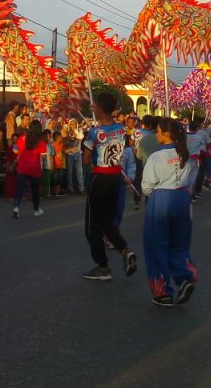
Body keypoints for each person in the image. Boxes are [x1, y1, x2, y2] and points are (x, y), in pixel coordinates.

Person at [141, 118, 197, 307]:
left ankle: (162, 291)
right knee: (179, 243)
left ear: (166, 134)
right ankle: (184, 278)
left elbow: (146, 187)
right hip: (182, 199)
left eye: (158, 131)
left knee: (157, 244)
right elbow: (190, 180)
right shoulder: (185, 154)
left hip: (161, 199)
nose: (156, 135)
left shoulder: (156, 157)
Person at [81, 93, 137, 281]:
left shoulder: (95, 132)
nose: (93, 108)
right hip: (116, 177)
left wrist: (90, 144)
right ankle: (124, 249)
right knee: (106, 220)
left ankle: (103, 266)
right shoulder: (121, 129)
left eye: (95, 106)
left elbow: (86, 158)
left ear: (100, 108)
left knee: (93, 225)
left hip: (100, 176)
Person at [12, 119, 47, 219]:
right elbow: (43, 157)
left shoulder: (22, 138)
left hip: (22, 167)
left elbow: (15, 150)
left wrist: (20, 155)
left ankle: (16, 208)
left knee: (19, 188)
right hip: (34, 168)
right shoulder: (41, 141)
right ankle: (36, 210)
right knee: (35, 190)